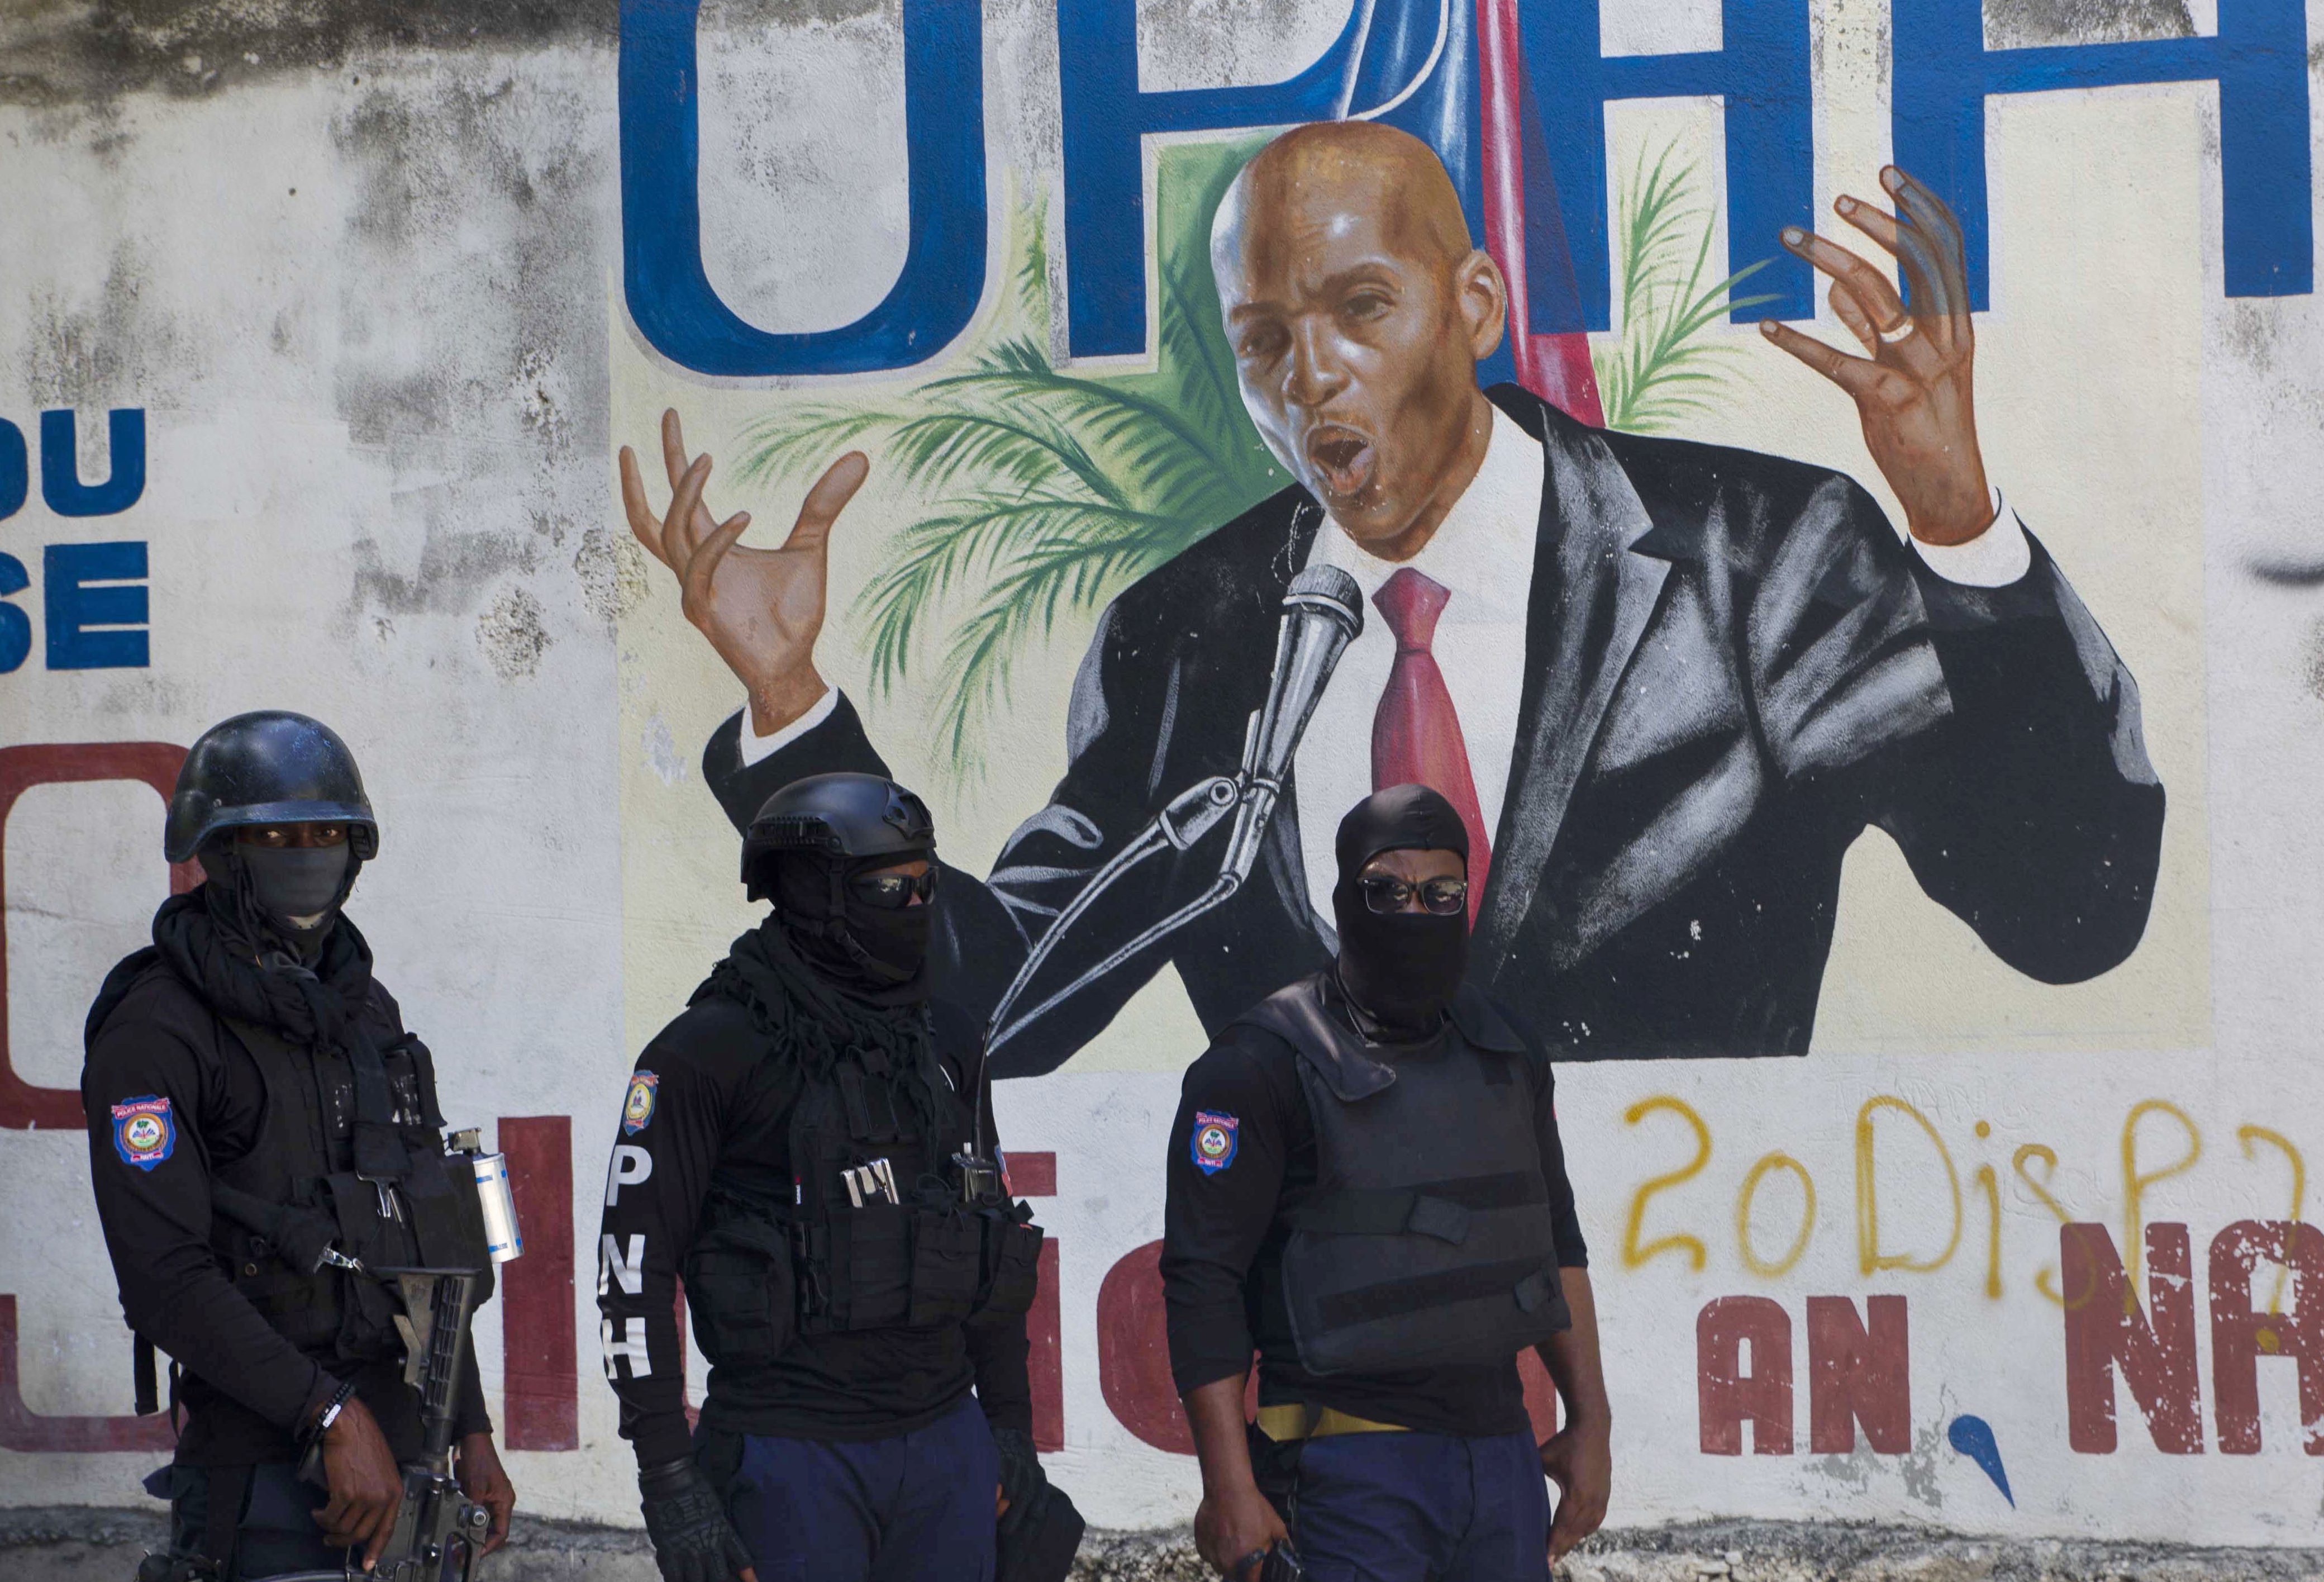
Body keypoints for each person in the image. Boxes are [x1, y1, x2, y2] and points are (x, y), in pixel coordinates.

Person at [622, 119, 2162, 1070]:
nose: (1313, 380)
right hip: (1327, 1378)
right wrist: (792, 711)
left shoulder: (1754, 557)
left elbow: (2069, 914)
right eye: (1265, 339)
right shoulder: (1186, 639)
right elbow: (988, 1005)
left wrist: (1955, 521)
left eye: (1362, 309)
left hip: (1682, 1313)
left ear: (1474, 305)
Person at [597, 771, 1079, 1582]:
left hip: (946, 1448)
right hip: (789, 1456)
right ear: (813, 893)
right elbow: (631, 1275)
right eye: (890, 887)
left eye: (928, 884)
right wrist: (670, 1482)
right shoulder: (708, 1052)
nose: (919, 907)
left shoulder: (947, 1041)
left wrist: (1007, 1433)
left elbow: (989, 1243)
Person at [81, 710, 515, 1580]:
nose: (307, 852)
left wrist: (471, 1427)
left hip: (410, 1462)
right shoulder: (158, 1028)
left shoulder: (366, 1010)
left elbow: (426, 1235)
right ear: (221, 850)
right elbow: (164, 1279)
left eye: (327, 833)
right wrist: (328, 1415)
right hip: (265, 1473)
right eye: (277, 834)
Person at [1161, 785, 1608, 1581]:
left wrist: (1591, 1421)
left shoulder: (1504, 1050)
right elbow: (1203, 1278)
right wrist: (1226, 1482)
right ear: (1343, 899)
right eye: (1387, 891)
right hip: (1344, 1469)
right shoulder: (1258, 1063)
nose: (1415, 911)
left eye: (1441, 893)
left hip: (1501, 1456)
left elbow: (1556, 1240)